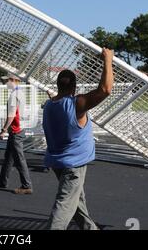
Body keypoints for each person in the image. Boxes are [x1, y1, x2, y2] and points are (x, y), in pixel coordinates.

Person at [43, 48, 114, 230]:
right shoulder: (76, 104)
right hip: (73, 165)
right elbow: (105, 89)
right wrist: (108, 60)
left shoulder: (49, 106)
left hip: (57, 162)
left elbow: (57, 99)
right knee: (65, 204)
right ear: (74, 87)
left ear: (58, 85)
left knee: (77, 202)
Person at [0, 74, 33, 194]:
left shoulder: (13, 95)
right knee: (8, 157)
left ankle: (26, 185)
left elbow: (11, 115)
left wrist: (4, 129)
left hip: (15, 130)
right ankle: (2, 180)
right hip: (18, 129)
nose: (5, 83)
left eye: (7, 80)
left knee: (19, 159)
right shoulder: (20, 92)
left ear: (13, 81)